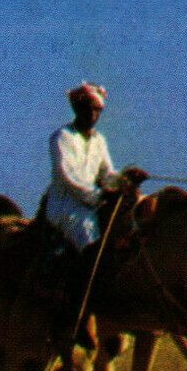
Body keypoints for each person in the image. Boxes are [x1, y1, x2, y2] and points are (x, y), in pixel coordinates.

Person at [41, 82, 148, 254]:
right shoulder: (62, 137)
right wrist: (100, 195)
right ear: (77, 109)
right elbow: (68, 177)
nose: (92, 114)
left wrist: (125, 179)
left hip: (93, 203)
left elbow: (106, 175)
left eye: (97, 110)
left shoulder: (99, 140)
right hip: (67, 206)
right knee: (89, 236)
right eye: (88, 108)